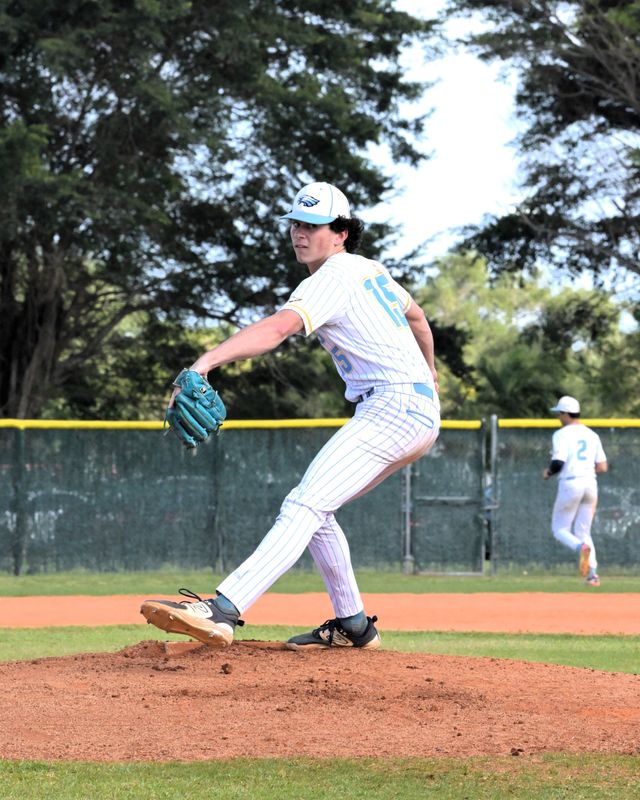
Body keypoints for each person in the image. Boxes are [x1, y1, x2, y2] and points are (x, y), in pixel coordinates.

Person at [141, 180, 440, 650]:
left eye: (314, 225)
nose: (300, 233)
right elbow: (418, 318)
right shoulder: (369, 270)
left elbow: (279, 328)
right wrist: (433, 377)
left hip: (393, 406)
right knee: (316, 509)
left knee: (302, 506)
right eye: (296, 223)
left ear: (341, 233)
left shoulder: (332, 277)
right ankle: (354, 626)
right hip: (414, 409)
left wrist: (203, 363)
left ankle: (223, 609)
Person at [542, 395, 608, 586]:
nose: (558, 417)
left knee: (559, 529)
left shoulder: (561, 434)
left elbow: (558, 462)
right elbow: (602, 467)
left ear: (565, 413)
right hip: (590, 483)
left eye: (559, 413)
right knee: (583, 530)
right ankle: (593, 575)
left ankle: (581, 547)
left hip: (571, 483)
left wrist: (547, 472)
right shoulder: (592, 434)